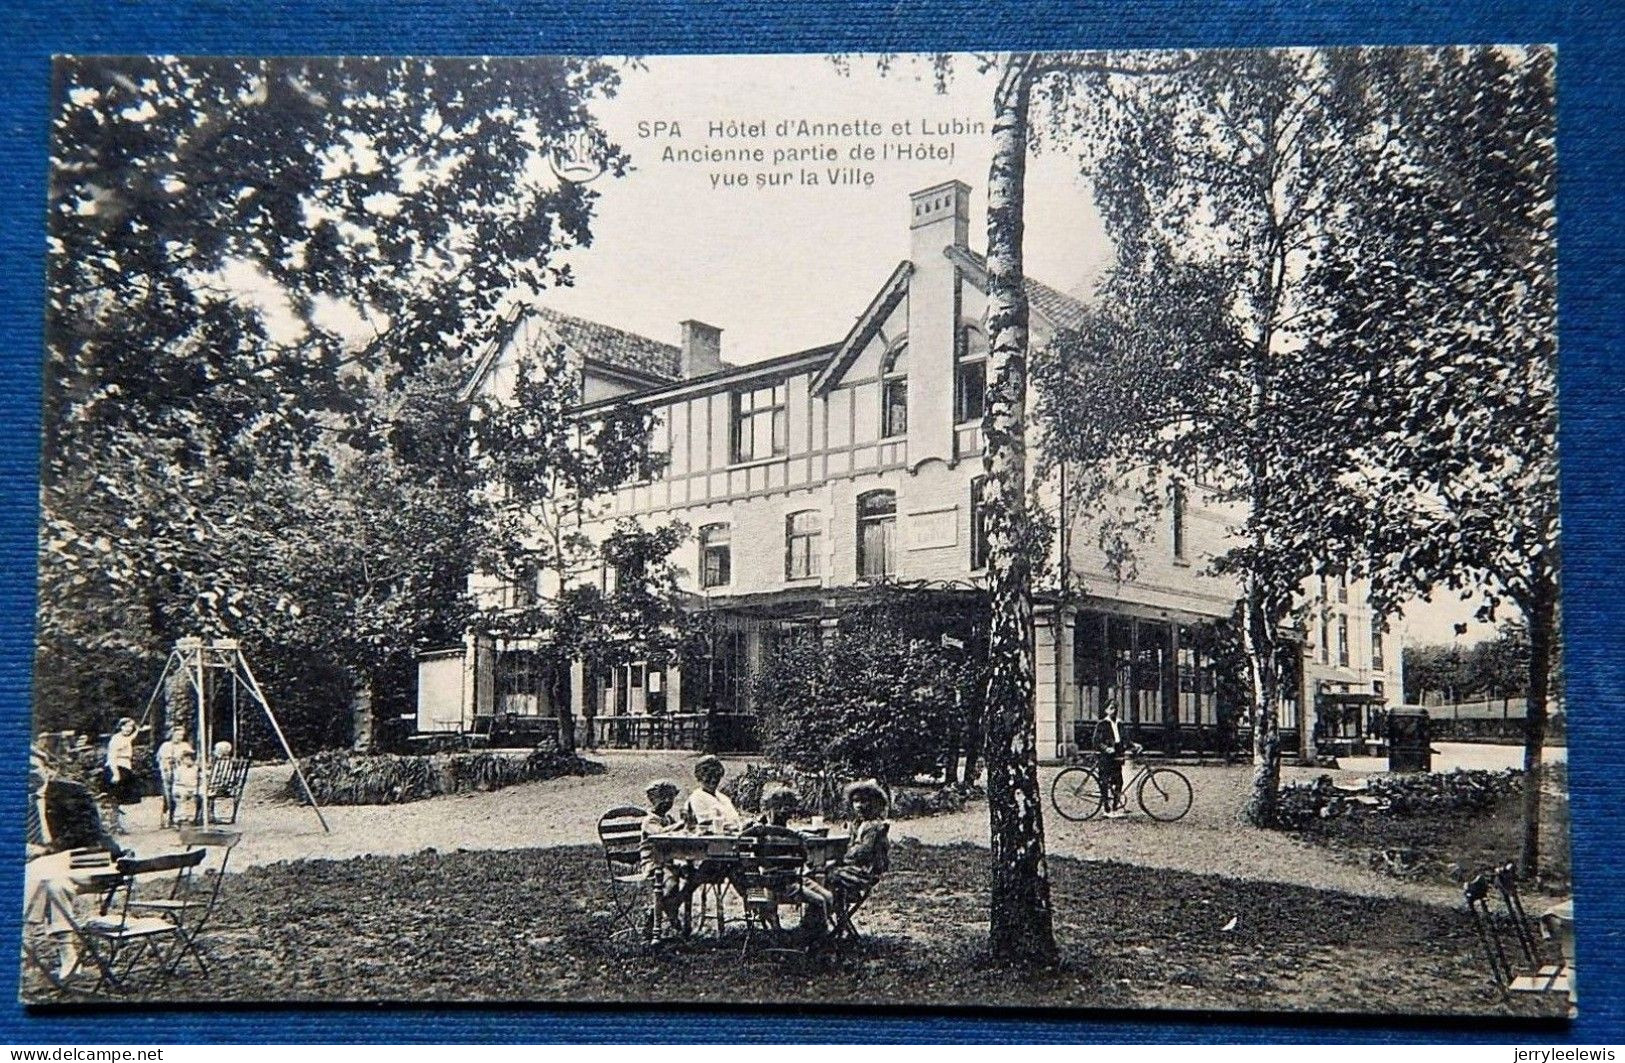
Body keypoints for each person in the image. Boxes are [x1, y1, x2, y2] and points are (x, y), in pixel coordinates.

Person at [753, 784, 833, 937]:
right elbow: (804, 858)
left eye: (787, 807)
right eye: (779, 807)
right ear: (770, 808)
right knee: (821, 900)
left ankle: (807, 930)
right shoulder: (781, 835)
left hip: (792, 879)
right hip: (780, 884)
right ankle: (818, 939)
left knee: (828, 897)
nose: (784, 811)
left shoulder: (763, 831)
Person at [825, 779, 891, 930]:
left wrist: (839, 859)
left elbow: (862, 852)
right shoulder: (858, 824)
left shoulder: (874, 826)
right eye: (856, 801)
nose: (859, 806)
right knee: (821, 873)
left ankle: (824, 916)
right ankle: (836, 917)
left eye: (864, 801)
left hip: (865, 872)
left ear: (874, 803)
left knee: (824, 875)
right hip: (853, 869)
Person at [639, 779, 690, 938]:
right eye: (663, 799)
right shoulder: (650, 820)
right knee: (671, 884)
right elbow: (660, 834)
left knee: (693, 875)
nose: (667, 802)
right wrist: (680, 825)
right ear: (654, 800)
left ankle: (669, 908)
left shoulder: (668, 818)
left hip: (669, 863)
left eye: (670, 799)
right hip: (653, 863)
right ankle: (658, 914)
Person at [1093, 701, 1133, 818]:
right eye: (1111, 708)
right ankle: (1106, 808)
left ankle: (1115, 807)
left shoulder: (1120, 724)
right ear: (1106, 710)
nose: (1114, 711)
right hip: (1105, 757)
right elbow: (1096, 741)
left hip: (1117, 755)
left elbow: (1125, 739)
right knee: (1105, 782)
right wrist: (1105, 748)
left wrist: (1134, 745)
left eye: (1115, 708)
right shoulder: (1102, 724)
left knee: (1119, 782)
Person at [683, 755, 742, 830]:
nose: (713, 780)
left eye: (717, 775)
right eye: (709, 776)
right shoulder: (697, 797)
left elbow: (736, 820)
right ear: (699, 776)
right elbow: (705, 824)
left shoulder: (724, 798)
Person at [102, 718, 140, 831]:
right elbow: (111, 757)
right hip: (117, 768)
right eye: (126, 726)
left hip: (125, 767)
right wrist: (116, 774)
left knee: (121, 799)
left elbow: (132, 737)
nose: (129, 729)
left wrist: (137, 729)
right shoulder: (116, 739)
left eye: (131, 727)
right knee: (115, 798)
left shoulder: (126, 738)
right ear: (121, 726)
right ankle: (114, 824)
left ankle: (117, 824)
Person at [154, 725, 193, 827]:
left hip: (182, 776)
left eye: (181, 735)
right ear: (172, 735)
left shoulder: (185, 745)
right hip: (169, 774)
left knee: (182, 795)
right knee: (169, 796)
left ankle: (181, 818)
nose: (179, 737)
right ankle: (169, 818)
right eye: (177, 735)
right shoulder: (166, 746)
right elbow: (161, 760)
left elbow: (190, 759)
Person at [171, 749, 203, 827]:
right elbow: (177, 781)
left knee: (195, 799)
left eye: (191, 759)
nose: (189, 761)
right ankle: (181, 817)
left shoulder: (196, 769)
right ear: (182, 760)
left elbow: (201, 779)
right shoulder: (179, 769)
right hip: (181, 787)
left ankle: (192, 817)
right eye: (186, 759)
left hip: (193, 787)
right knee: (182, 798)